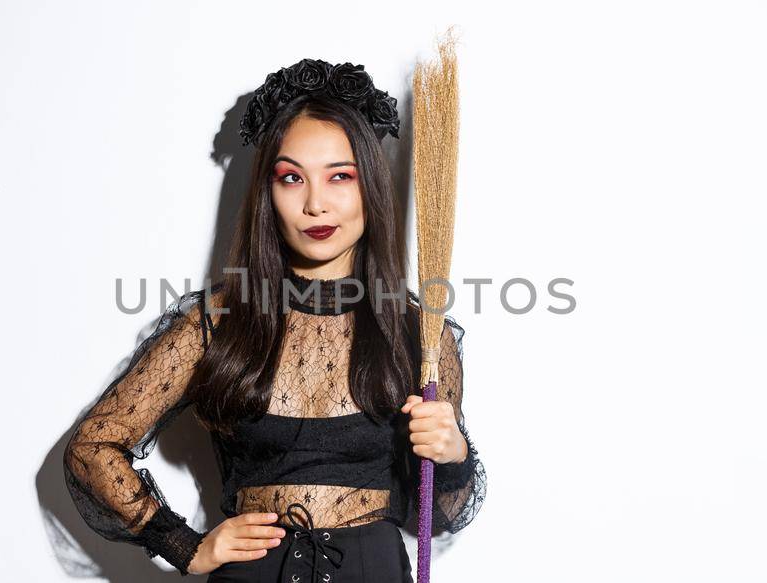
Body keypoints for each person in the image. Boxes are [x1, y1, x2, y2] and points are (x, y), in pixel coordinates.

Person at [63, 58, 485, 583]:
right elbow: (92, 447)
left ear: (369, 188)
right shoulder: (215, 323)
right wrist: (182, 544)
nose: (315, 203)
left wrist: (453, 454)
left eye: (340, 176)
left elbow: (441, 513)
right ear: (268, 191)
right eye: (291, 178)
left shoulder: (418, 335)